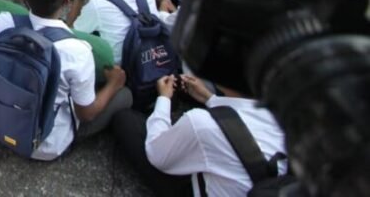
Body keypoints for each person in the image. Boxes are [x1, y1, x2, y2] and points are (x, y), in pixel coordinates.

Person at [0, 0, 131, 161]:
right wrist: (114, 84)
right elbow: (86, 114)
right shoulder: (78, 50)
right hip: (44, 145)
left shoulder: (3, 22)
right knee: (124, 95)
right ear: (66, 2)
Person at [112, 75, 287, 197]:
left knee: (126, 120)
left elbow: (157, 155)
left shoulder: (202, 123)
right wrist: (210, 99)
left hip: (195, 187)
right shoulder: (288, 114)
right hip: (269, 184)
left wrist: (163, 99)